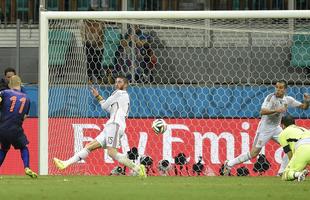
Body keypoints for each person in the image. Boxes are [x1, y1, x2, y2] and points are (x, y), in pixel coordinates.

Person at [53, 75, 146, 178]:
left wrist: (99, 98)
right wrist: (98, 96)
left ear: (126, 84)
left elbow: (104, 106)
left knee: (112, 153)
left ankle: (137, 167)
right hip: (113, 126)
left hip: (114, 125)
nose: (117, 84)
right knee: (89, 146)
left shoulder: (119, 93)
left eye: (120, 82)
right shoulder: (124, 98)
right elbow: (110, 110)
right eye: (116, 82)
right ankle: (65, 164)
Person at [223, 80, 310, 176]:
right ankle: (229, 164)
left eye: (281, 88)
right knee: (254, 154)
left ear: (285, 89)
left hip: (276, 128)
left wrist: (307, 100)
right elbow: (262, 111)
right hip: (264, 129)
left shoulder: (287, 99)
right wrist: (277, 110)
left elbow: (304, 107)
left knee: (289, 147)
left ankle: (281, 172)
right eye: (277, 87)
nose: (278, 89)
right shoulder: (270, 98)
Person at [0, 75, 37, 178]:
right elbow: (25, 116)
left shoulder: (5, 93)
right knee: (23, 147)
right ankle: (27, 167)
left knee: (4, 149)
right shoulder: (27, 99)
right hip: (16, 128)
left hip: (2, 127)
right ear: (20, 84)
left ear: (9, 84)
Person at [279, 115, 310, 182]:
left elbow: (290, 155)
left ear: (283, 125)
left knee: (285, 174)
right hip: (306, 145)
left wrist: (295, 167)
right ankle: (299, 173)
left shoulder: (282, 134)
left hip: (303, 149)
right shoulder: (303, 129)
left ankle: (298, 174)